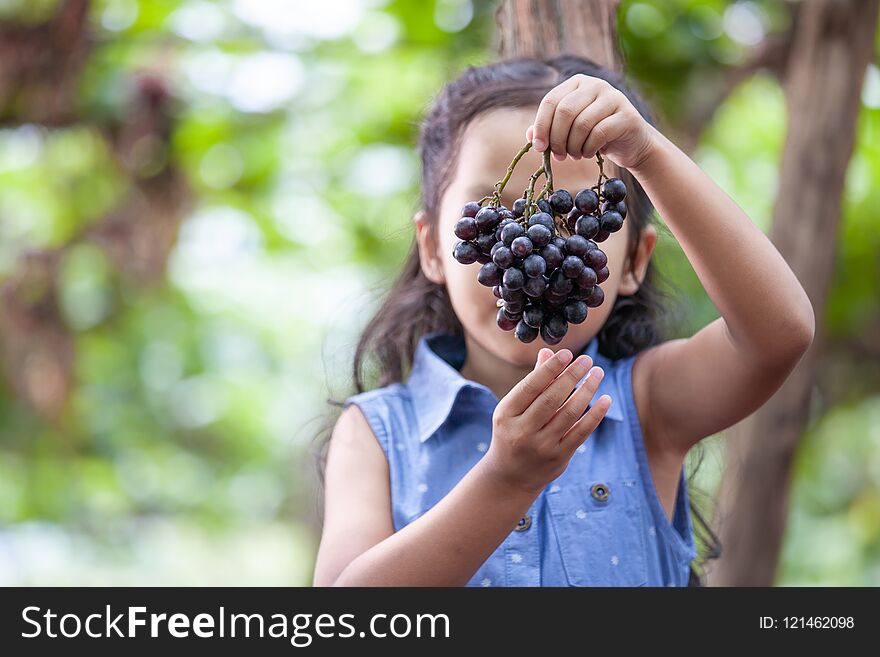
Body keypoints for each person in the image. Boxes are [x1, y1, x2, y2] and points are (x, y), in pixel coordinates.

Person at [312, 55, 814, 587]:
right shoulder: (376, 432)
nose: (541, 249)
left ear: (634, 262)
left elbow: (779, 334)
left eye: (575, 221)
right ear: (434, 247)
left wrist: (647, 153)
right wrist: (504, 482)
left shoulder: (648, 405)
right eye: (496, 217)